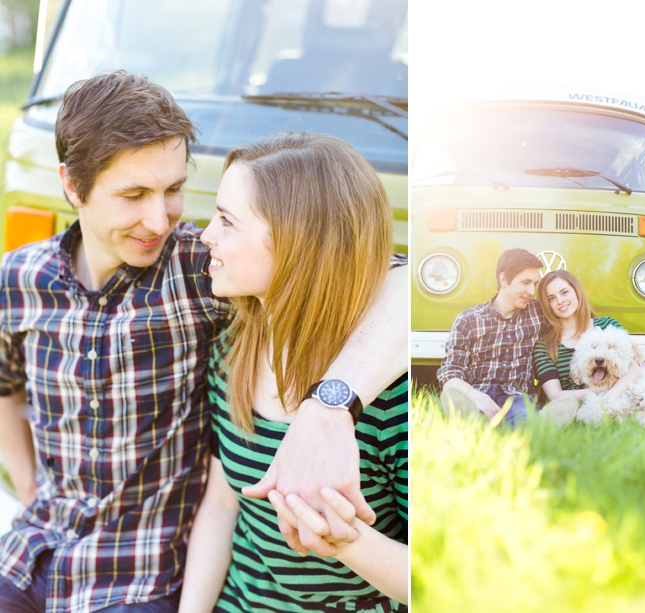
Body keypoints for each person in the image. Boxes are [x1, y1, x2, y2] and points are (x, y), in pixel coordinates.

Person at [0, 71, 407, 613]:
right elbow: (6, 388)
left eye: (173, 190)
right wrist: (27, 489)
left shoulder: (200, 268)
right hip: (37, 550)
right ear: (73, 187)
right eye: (133, 194)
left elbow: (394, 283)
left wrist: (329, 408)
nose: (164, 218)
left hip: (138, 574)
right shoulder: (20, 278)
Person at [177, 132, 407, 612]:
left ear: (296, 243)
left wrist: (346, 541)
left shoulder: (393, 399)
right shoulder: (232, 349)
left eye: (227, 221)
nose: (205, 235)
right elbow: (223, 505)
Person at [437, 248, 576, 427]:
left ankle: (539, 425)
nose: (532, 291)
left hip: (517, 397)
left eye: (535, 283)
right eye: (525, 282)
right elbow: (450, 375)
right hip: (479, 392)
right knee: (474, 421)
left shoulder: (539, 313)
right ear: (503, 279)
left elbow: (570, 321)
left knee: (524, 421)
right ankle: (468, 419)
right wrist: (476, 396)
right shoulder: (469, 320)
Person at [532, 269, 640, 423]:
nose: (560, 300)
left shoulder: (607, 325)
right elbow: (555, 395)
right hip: (573, 408)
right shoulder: (544, 346)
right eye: (551, 298)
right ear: (546, 305)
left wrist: (608, 399)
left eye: (564, 292)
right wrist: (599, 391)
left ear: (577, 292)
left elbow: (634, 369)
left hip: (618, 399)